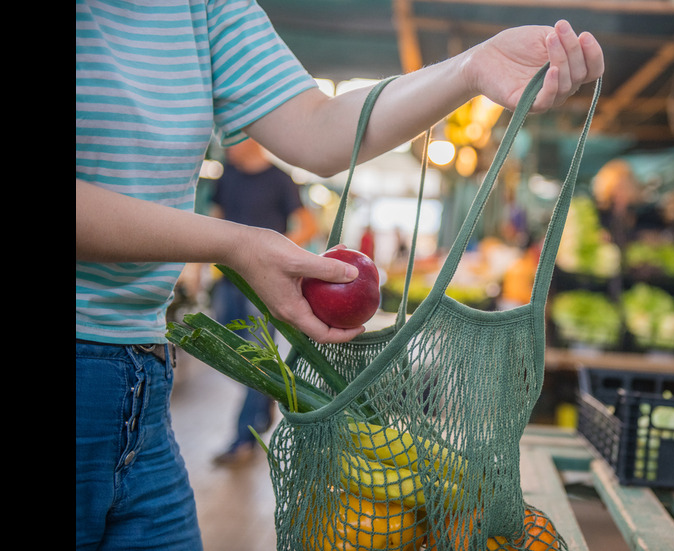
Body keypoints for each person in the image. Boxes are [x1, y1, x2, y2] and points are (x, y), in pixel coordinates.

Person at [76, 1, 603, 548]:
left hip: (145, 373)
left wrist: (472, 67)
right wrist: (234, 245)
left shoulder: (201, 6)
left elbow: (317, 128)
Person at [208, 138, 318, 466]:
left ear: (251, 138)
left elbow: (310, 224)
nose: (225, 143)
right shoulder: (226, 176)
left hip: (261, 286)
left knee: (250, 360)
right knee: (225, 351)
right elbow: (215, 220)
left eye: (231, 137)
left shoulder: (280, 179)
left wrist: (273, 251)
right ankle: (267, 388)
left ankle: (242, 438)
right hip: (226, 280)